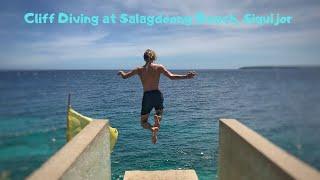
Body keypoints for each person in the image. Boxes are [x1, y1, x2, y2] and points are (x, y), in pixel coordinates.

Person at [117, 49, 197, 144]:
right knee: (159, 114)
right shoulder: (159, 67)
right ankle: (157, 119)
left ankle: (152, 129)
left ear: (144, 58)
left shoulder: (139, 69)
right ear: (154, 57)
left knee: (143, 122)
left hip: (147, 96)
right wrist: (186, 76)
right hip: (157, 94)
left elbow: (125, 76)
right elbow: (171, 77)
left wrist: (122, 73)